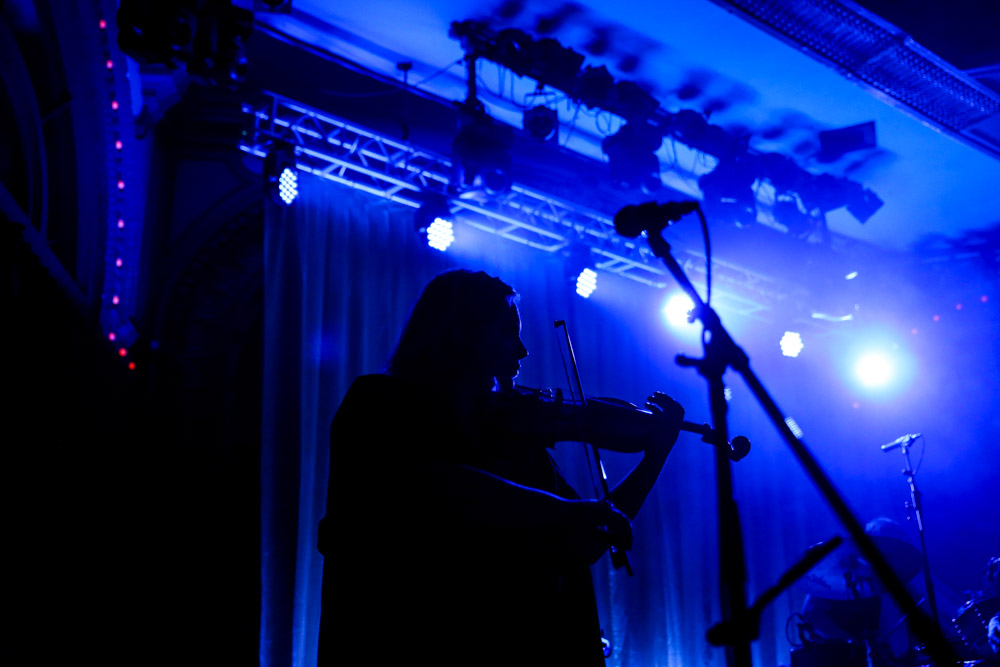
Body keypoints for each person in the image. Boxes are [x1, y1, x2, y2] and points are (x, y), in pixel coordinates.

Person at [317, 269, 685, 665]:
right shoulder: (378, 404)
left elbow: (586, 539)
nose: (523, 351)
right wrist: (567, 510)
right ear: (460, 335)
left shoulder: (515, 441)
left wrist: (656, 455)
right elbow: (443, 485)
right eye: (508, 334)